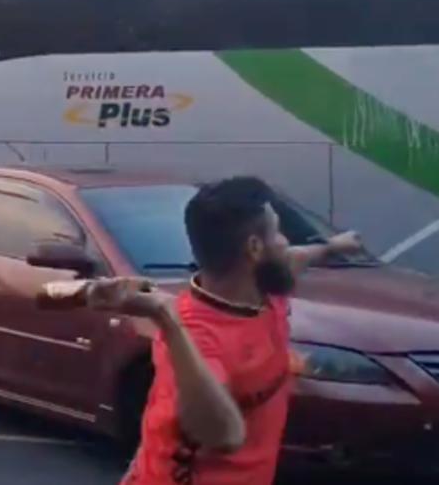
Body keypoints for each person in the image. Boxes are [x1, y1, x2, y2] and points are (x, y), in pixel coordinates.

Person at [87, 177, 363, 485]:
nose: (286, 241)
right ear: (255, 248)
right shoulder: (198, 336)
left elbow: (291, 257)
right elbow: (223, 435)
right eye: (278, 231)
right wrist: (167, 319)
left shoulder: (265, 286)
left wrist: (332, 247)